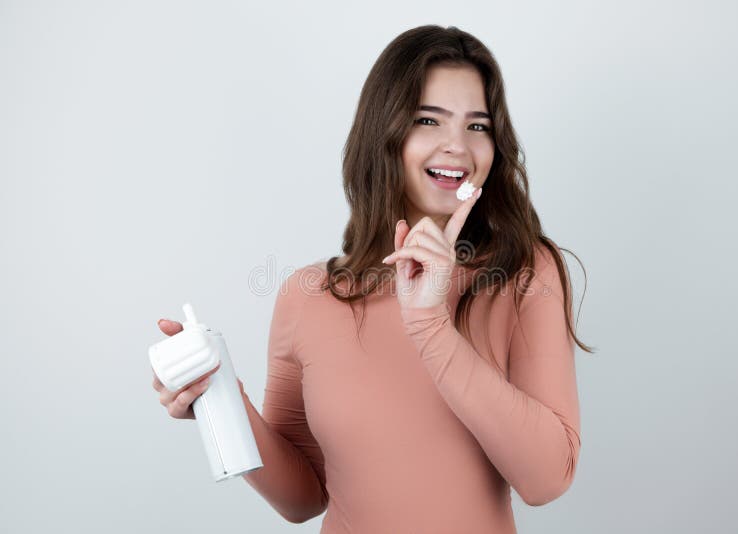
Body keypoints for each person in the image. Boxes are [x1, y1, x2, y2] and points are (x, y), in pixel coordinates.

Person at [152, 24, 593, 533]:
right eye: (429, 120)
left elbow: (548, 478)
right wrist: (222, 399)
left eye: (478, 126)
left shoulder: (523, 272)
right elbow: (303, 499)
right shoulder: (308, 296)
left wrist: (430, 325)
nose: (458, 147)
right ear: (385, 132)